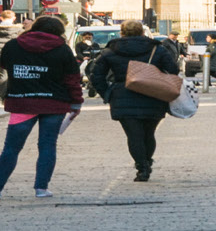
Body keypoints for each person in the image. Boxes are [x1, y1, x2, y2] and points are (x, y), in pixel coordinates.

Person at [0, 17, 84, 199]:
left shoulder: (14, 45)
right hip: (54, 103)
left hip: (22, 102)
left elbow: (3, 65)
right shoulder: (62, 49)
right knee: (47, 146)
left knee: (12, 148)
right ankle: (41, 188)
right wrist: (76, 102)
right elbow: (72, 78)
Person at [73, 20, 172, 181]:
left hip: (123, 94)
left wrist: (107, 93)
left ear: (122, 33)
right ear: (142, 32)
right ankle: (147, 161)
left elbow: (96, 75)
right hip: (153, 94)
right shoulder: (157, 48)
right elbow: (172, 69)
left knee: (134, 135)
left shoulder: (111, 50)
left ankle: (142, 167)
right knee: (149, 132)